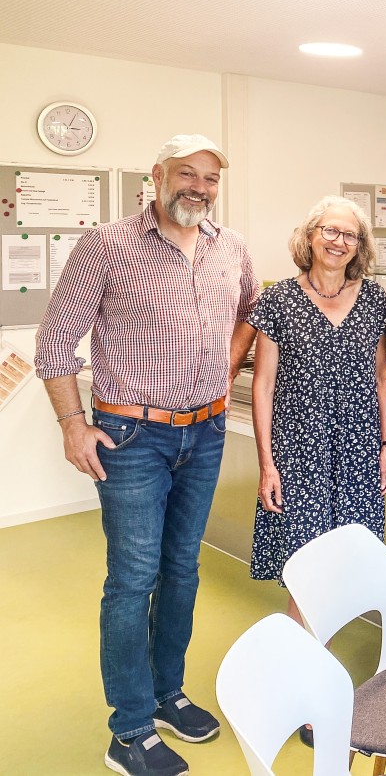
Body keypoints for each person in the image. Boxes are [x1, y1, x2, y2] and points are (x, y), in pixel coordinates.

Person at [35, 134, 258, 776]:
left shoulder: (231, 247)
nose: (198, 187)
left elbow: (250, 310)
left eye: (210, 178)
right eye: (186, 174)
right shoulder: (107, 244)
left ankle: (166, 695)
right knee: (133, 580)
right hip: (132, 436)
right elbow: (55, 345)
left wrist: (225, 364)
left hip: (206, 431)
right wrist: (73, 426)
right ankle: (128, 729)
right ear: (157, 176)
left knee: (182, 571)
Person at [248, 196, 386, 617]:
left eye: (349, 234)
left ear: (360, 245)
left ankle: (318, 665)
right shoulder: (278, 300)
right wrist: (267, 464)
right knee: (305, 563)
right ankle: (307, 668)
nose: (339, 241)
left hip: (358, 449)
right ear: (310, 237)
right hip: (299, 451)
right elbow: (263, 385)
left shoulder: (371, 299)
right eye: (329, 230)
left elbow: (383, 376)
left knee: (346, 561)